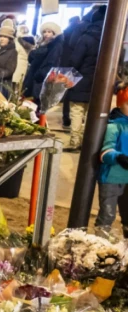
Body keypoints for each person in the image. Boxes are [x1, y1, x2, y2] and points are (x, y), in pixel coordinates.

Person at [63, 6, 106, 152]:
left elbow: (75, 60)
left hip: (81, 79)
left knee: (77, 111)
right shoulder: (110, 37)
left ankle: (75, 142)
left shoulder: (86, 37)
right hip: (100, 82)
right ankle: (90, 144)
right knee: (92, 113)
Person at [95, 84, 128, 239]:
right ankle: (100, 242)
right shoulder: (114, 126)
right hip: (111, 177)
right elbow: (106, 152)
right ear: (120, 104)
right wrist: (118, 157)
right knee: (108, 213)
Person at [22, 22, 62, 102]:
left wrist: (39, 74)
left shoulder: (55, 46)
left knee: (37, 104)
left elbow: (52, 63)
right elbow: (32, 58)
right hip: (35, 79)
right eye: (44, 32)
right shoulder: (42, 44)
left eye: (49, 32)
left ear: (54, 33)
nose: (46, 34)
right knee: (31, 104)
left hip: (40, 80)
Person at [60, 16, 82, 128]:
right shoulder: (81, 32)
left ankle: (66, 118)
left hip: (65, 65)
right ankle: (71, 119)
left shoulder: (66, 32)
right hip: (77, 66)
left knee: (67, 92)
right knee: (74, 93)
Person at [0, 24, 17, 97]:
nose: (1, 39)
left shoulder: (12, 52)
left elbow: (10, 71)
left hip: (3, 85)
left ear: (10, 39)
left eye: (5, 37)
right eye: (0, 36)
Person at [13, 24, 34, 91]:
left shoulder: (18, 41)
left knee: (13, 88)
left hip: (16, 65)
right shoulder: (31, 41)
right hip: (24, 66)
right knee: (19, 87)